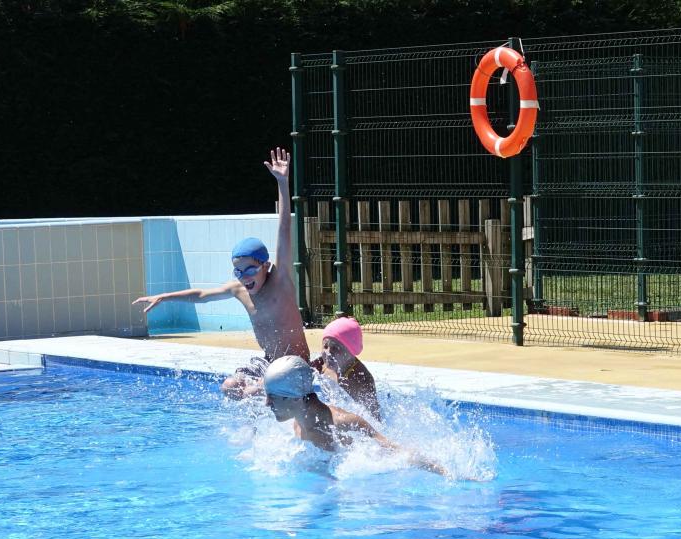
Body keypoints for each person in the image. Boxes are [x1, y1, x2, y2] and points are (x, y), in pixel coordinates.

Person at [132, 148, 309, 398]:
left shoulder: (279, 281)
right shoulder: (238, 289)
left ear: (265, 266)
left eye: (249, 269)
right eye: (238, 270)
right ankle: (253, 432)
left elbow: (284, 229)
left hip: (296, 365)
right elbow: (202, 294)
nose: (244, 276)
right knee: (231, 387)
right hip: (268, 361)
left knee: (257, 389)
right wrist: (164, 296)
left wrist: (282, 182)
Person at [263, 355, 448, 477]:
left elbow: (397, 452)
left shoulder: (342, 423)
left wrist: (446, 473)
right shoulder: (297, 421)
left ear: (295, 398)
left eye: (272, 397)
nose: (267, 403)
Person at [311, 316, 381, 422]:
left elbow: (374, 419)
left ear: (351, 353)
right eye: (325, 346)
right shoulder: (322, 363)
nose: (328, 352)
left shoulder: (360, 380)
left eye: (336, 348)